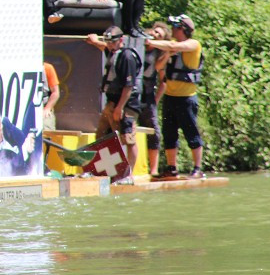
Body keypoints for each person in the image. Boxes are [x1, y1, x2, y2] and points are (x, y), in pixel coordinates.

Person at [147, 14, 204, 179]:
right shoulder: (171, 48)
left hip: (186, 98)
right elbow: (159, 67)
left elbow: (177, 46)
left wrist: (151, 42)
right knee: (169, 133)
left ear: (183, 30)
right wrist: (166, 54)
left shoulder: (193, 44)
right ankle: (172, 168)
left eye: (175, 27)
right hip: (170, 97)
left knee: (190, 132)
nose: (172, 30)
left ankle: (197, 168)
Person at [84, 26, 142, 184]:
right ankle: (98, 170)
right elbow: (105, 47)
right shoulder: (113, 51)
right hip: (112, 101)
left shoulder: (127, 57)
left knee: (128, 138)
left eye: (112, 42)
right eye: (107, 42)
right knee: (101, 134)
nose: (109, 45)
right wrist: (96, 41)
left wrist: (119, 108)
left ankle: (129, 175)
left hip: (126, 104)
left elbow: (128, 86)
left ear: (121, 41)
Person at [141, 21, 171, 176]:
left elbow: (163, 82)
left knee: (153, 130)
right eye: (154, 31)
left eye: (158, 34)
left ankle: (153, 170)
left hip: (147, 95)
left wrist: (156, 100)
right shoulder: (138, 43)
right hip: (131, 92)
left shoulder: (159, 55)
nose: (154, 34)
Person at [42, 61, 60, 131]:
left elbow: (55, 92)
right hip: (27, 110)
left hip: (44, 107)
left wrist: (47, 108)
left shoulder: (47, 68)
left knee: (47, 130)